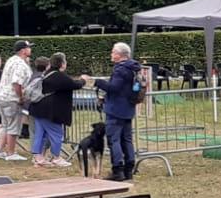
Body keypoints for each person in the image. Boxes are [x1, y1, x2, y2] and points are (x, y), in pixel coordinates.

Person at [93, 43, 144, 180]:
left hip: (116, 109)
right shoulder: (134, 68)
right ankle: (129, 168)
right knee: (127, 139)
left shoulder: (120, 70)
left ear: (120, 55)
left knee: (114, 140)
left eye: (113, 52)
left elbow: (114, 88)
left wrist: (98, 82)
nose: (111, 54)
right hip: (128, 107)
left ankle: (117, 170)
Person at [31, 53, 88, 169]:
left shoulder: (47, 74)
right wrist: (83, 80)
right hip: (51, 111)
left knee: (40, 134)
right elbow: (75, 84)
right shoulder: (59, 76)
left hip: (38, 108)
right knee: (57, 134)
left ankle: (38, 157)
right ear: (62, 64)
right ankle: (56, 157)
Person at [0, 41, 33, 162]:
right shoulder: (20, 64)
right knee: (13, 126)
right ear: (23, 50)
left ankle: (0, 150)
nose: (30, 49)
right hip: (11, 98)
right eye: (28, 48)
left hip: (1, 96)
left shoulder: (11, 60)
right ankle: (11, 153)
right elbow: (16, 83)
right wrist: (20, 97)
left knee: (5, 125)